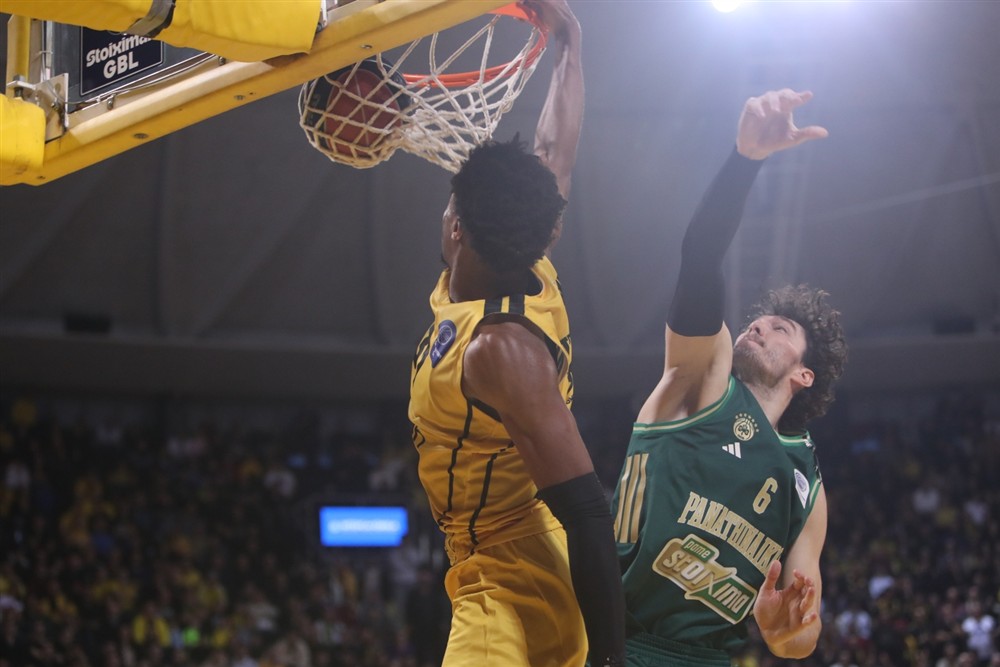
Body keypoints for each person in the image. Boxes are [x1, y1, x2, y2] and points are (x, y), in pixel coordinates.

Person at [407, 1, 626, 665]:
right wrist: (570, 44)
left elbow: (589, 509)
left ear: (456, 230)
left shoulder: (500, 349)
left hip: (508, 581)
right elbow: (555, 151)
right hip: (514, 554)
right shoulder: (530, 244)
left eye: (451, 202)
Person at [610, 89, 847, 665]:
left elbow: (800, 635)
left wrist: (785, 631)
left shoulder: (806, 486)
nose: (759, 326)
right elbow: (699, 259)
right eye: (758, 320)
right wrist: (746, 161)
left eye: (781, 328)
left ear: (804, 374)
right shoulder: (705, 374)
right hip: (611, 637)